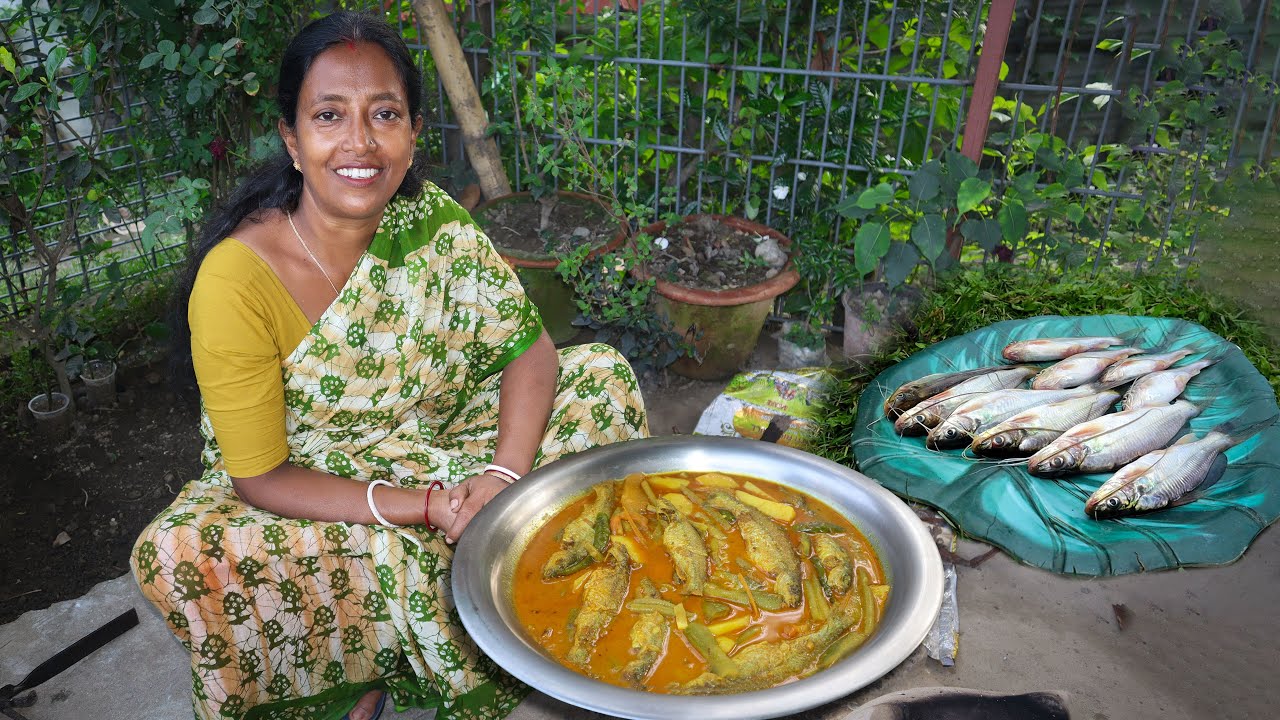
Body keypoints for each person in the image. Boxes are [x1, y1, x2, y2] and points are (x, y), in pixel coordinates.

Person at [131, 11, 648, 720]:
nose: (360, 142)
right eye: (329, 115)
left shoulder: (428, 219)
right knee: (184, 550)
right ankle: (361, 668)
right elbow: (260, 476)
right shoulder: (236, 280)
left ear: (413, 131)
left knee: (601, 380)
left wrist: (501, 479)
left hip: (439, 435)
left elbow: (529, 349)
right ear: (292, 139)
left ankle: (509, 589)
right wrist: (426, 505)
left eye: (384, 113)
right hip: (311, 483)